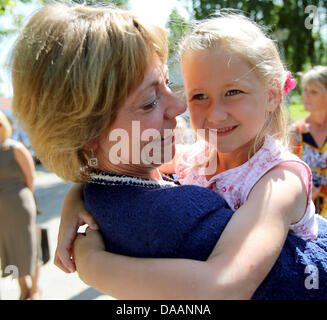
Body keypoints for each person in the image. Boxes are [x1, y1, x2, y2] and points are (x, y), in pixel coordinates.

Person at [11, 3, 327, 300]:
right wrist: (76, 195)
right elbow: (99, 169)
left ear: (273, 95)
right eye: (198, 95)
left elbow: (226, 286)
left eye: (233, 92)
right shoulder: (200, 158)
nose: (182, 107)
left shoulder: (279, 181)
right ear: (87, 133)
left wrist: (92, 265)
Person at [0, 111, 41, 300]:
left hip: (20, 205)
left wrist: (27, 199)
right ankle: (23, 288)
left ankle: (35, 289)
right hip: (2, 211)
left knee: (28, 245)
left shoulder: (16, 148)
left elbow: (30, 176)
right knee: (10, 248)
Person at [291, 66, 327, 218]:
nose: (305, 96)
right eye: (304, 90)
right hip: (305, 215)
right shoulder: (295, 132)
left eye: (313, 92)